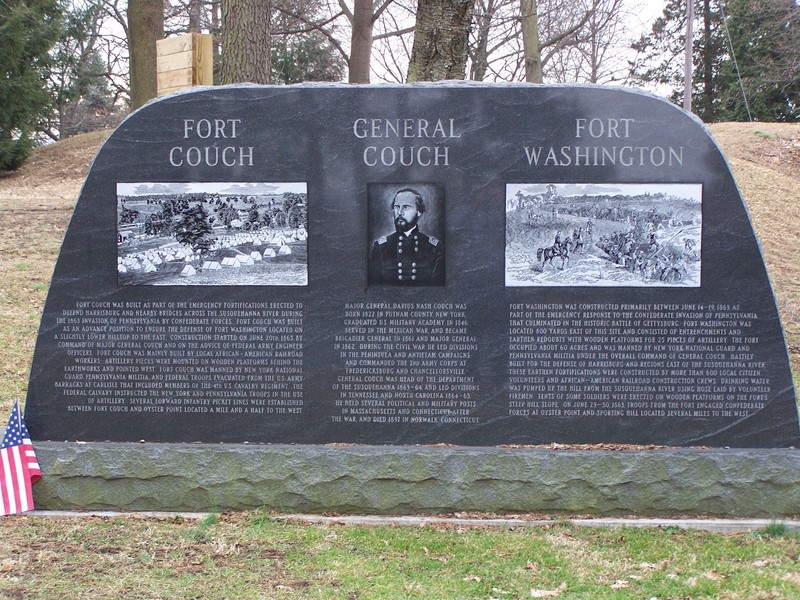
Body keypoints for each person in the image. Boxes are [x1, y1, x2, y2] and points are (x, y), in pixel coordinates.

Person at [369, 188, 444, 286]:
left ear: (419, 212)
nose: (399, 212)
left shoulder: (434, 248)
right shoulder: (380, 247)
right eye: (396, 207)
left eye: (406, 207)